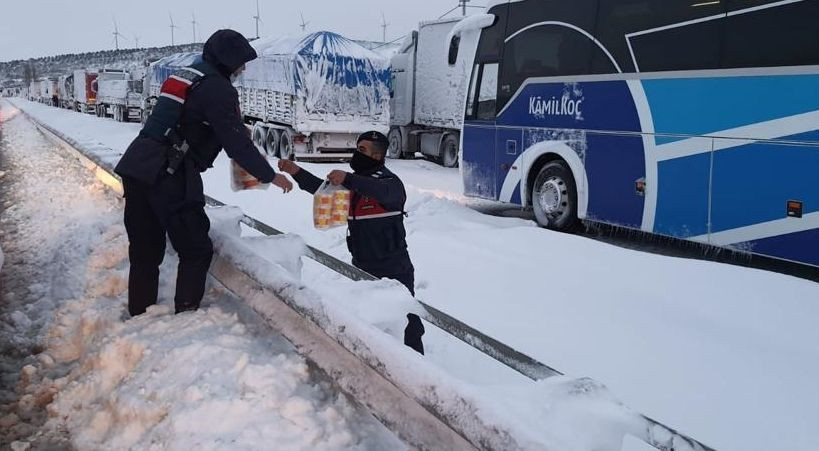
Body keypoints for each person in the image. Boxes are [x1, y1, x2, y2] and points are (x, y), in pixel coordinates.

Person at [114, 29, 292, 317]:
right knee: (196, 248)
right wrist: (270, 175)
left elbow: (186, 119)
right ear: (228, 60)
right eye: (241, 62)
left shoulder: (187, 75)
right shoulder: (217, 88)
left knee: (145, 250)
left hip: (137, 165)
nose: (243, 69)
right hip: (168, 171)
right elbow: (236, 143)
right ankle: (186, 316)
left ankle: (140, 313)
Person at [278, 131, 425, 354]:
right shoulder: (354, 185)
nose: (357, 154)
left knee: (407, 324)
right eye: (357, 149)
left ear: (377, 156)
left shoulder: (390, 183)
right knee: (370, 323)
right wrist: (296, 171)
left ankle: (417, 366)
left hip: (394, 269)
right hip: (362, 267)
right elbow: (322, 190)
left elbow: (380, 191)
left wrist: (348, 178)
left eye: (363, 150)